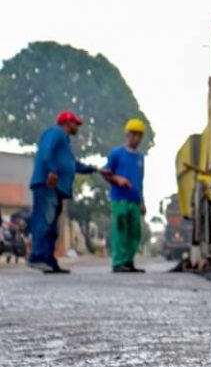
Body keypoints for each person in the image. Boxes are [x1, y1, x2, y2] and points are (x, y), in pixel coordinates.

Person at [27, 111, 119, 274]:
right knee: (44, 220)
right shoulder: (55, 133)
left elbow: (73, 165)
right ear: (68, 123)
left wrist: (97, 170)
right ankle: (37, 256)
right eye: (76, 124)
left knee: (52, 227)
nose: (77, 127)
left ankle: (49, 261)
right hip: (48, 184)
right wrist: (52, 171)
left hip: (56, 188)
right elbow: (45, 150)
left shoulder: (65, 144)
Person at [102, 118, 149, 273]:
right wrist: (117, 179)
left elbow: (140, 180)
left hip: (134, 200)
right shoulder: (116, 154)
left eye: (139, 135)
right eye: (133, 134)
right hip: (120, 199)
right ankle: (119, 262)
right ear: (127, 134)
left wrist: (142, 202)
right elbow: (105, 172)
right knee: (121, 230)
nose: (136, 138)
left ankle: (129, 261)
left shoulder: (140, 157)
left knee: (135, 232)